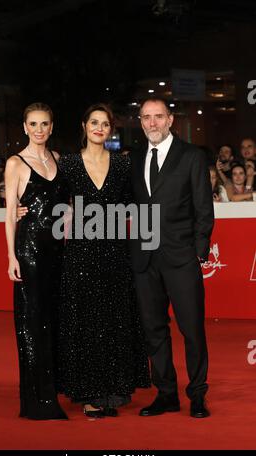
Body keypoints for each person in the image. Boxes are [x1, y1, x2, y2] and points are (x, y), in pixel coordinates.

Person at [56, 103, 150, 418]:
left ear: (111, 129)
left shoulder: (123, 166)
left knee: (115, 318)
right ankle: (89, 392)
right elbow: (51, 201)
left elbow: (137, 206)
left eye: (105, 123)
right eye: (93, 122)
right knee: (86, 320)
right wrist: (19, 209)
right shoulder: (67, 165)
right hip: (80, 253)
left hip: (115, 251)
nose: (99, 128)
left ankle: (114, 388)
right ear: (84, 126)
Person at [130, 98, 214, 418]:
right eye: (146, 117)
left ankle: (197, 394)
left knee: (191, 329)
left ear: (170, 120)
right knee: (154, 329)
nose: (152, 123)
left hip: (181, 257)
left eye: (158, 117)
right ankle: (166, 393)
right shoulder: (134, 158)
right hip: (144, 258)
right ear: (140, 122)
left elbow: (204, 209)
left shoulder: (191, 156)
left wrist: (198, 252)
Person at [5, 102, 69, 420]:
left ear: (51, 127)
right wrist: (10, 257)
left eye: (44, 124)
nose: (39, 130)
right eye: (33, 124)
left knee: (53, 320)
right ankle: (36, 400)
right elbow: (8, 216)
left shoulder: (58, 160)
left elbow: (65, 204)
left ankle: (51, 388)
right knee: (32, 324)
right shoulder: (16, 163)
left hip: (58, 251)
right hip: (29, 250)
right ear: (25, 127)